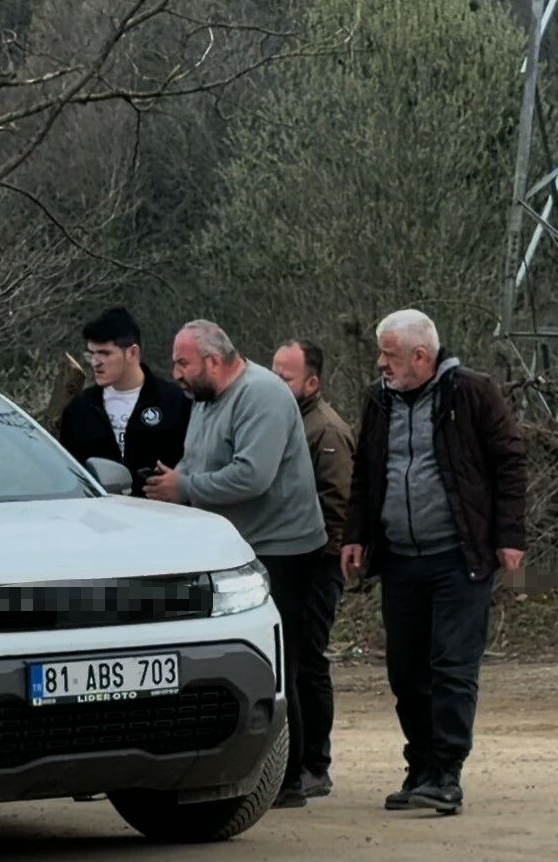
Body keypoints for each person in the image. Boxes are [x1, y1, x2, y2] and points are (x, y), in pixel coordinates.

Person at [339, 309, 528, 816]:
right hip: (400, 559)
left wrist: (509, 536)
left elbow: (510, 462)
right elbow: (365, 471)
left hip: (458, 558)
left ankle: (447, 773)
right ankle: (420, 766)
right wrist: (355, 535)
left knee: (451, 667)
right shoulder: (378, 400)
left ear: (421, 356)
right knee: (406, 672)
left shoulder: (472, 393)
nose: (381, 364)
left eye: (389, 355)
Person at [145, 320, 328, 808]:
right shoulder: (206, 400)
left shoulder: (261, 395)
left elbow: (252, 476)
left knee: (277, 661)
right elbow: (197, 460)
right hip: (235, 548)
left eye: (183, 363)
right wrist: (170, 484)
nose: (176, 374)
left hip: (282, 549)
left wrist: (186, 489)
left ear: (213, 360)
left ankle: (289, 778)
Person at [271, 339, 355, 800]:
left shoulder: (326, 430)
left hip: (319, 564)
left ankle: (315, 765)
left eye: (284, 377)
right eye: (272, 373)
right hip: (292, 561)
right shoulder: (286, 421)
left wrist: (327, 563)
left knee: (308, 661)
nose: (275, 383)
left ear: (312, 382)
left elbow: (337, 505)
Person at [56, 307, 191, 496]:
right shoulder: (80, 410)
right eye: (91, 354)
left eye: (105, 354)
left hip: (161, 510)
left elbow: (196, 463)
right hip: (98, 511)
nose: (95, 362)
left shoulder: (176, 403)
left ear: (132, 353)